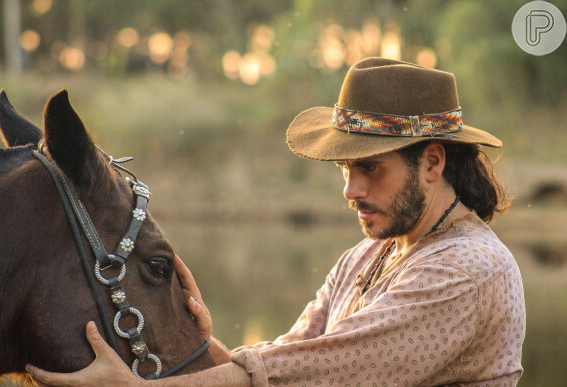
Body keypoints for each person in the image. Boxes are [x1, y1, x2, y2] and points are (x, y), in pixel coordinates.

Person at [27, 57, 526, 386]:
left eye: (371, 169)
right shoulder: (365, 255)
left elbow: (324, 373)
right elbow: (285, 368)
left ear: (433, 163)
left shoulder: (469, 269)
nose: (351, 191)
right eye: (346, 170)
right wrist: (209, 345)